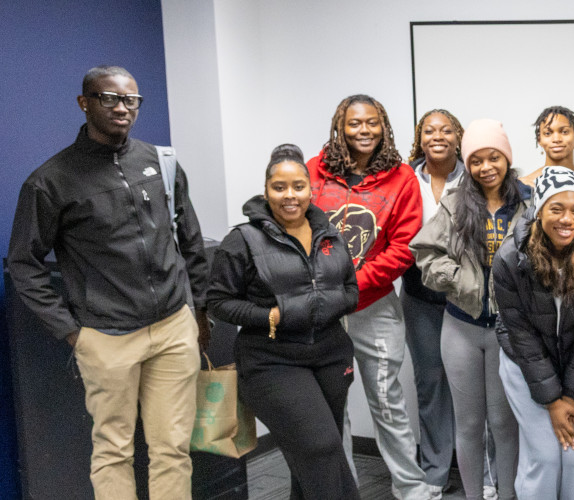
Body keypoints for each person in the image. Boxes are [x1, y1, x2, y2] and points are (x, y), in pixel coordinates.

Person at [8, 64, 209, 499]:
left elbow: (189, 237)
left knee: (173, 449)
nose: (123, 108)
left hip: (173, 329)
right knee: (114, 451)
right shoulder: (50, 181)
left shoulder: (160, 162)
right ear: (85, 103)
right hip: (107, 337)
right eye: (110, 98)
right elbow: (23, 264)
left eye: (131, 100)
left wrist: (198, 310)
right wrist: (72, 333)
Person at [207, 144, 361, 499]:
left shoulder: (329, 233)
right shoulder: (243, 240)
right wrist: (271, 315)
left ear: (310, 189)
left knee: (312, 457)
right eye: (279, 187)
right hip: (271, 360)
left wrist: (326, 304)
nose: (289, 196)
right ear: (266, 191)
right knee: (321, 448)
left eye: (298, 186)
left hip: (331, 355)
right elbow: (218, 302)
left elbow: (351, 289)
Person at [304, 94, 430, 500]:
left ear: (384, 126)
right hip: (320, 310)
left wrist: (354, 285)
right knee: (331, 406)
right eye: (355, 123)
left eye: (372, 123)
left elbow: (404, 247)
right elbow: (292, 229)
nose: (364, 130)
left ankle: (411, 489)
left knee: (388, 403)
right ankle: (342, 491)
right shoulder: (313, 171)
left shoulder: (401, 178)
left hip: (372, 306)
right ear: (341, 126)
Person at [412, 119, 529, 500]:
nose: (485, 167)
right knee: (469, 425)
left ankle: (507, 494)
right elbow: (426, 255)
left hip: (508, 330)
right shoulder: (455, 202)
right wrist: (460, 282)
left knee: (503, 423)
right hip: (461, 327)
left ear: (506, 159)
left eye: (493, 157)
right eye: (476, 160)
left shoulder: (528, 202)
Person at [492, 166, 574, 498]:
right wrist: (552, 400)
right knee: (546, 458)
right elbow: (520, 334)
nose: (568, 219)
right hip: (526, 364)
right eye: (557, 209)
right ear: (539, 211)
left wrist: (569, 396)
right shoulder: (510, 259)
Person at [402, 109, 465, 495]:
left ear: (458, 136)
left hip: (468, 297)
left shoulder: (476, 172)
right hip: (419, 294)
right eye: (429, 130)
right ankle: (435, 473)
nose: (437, 136)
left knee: (479, 388)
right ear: (420, 137)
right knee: (430, 384)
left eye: (446, 129)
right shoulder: (405, 178)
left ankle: (486, 472)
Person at [521, 106, 574, 186]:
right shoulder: (525, 185)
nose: (556, 139)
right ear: (539, 140)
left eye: (564, 132)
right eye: (548, 133)